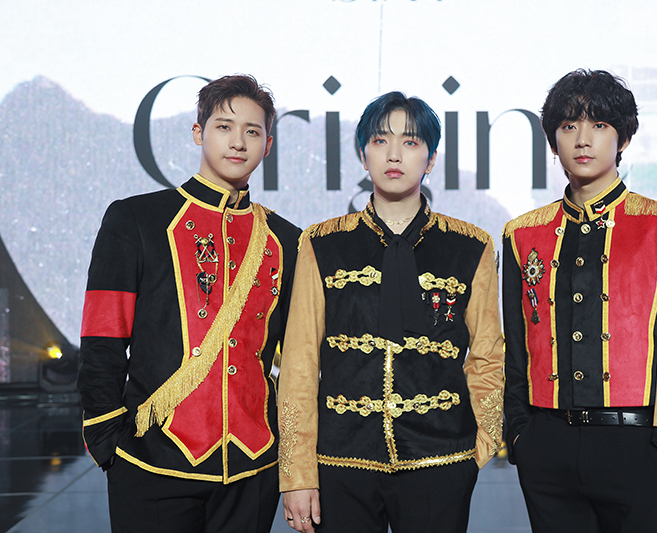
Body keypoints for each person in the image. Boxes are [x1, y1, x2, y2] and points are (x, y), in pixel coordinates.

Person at [502, 69, 657, 532]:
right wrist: (522, 433)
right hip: (547, 445)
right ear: (553, 142)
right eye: (569, 126)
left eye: (599, 125)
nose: (583, 139)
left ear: (623, 138)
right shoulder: (522, 234)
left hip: (635, 445)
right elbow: (515, 343)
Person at [78, 74, 300, 533]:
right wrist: (106, 437)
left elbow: (297, 356)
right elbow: (103, 335)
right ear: (198, 133)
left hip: (253, 467)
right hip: (151, 461)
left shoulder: (286, 240)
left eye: (252, 131)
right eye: (224, 127)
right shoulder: (136, 219)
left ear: (268, 145)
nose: (237, 142)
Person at [277, 91, 504, 533]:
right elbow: (299, 363)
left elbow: (487, 356)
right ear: (363, 155)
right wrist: (297, 472)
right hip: (340, 462)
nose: (394, 154)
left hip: (441, 459)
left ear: (431, 158)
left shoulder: (470, 246)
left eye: (411, 142)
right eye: (380, 141)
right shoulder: (321, 244)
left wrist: (482, 443)